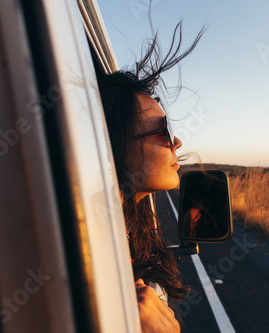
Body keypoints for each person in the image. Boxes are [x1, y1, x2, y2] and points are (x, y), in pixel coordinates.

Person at [97, 23, 203, 332]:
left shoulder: (125, 228)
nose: (177, 143)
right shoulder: (81, 252)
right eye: (164, 132)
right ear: (115, 147)